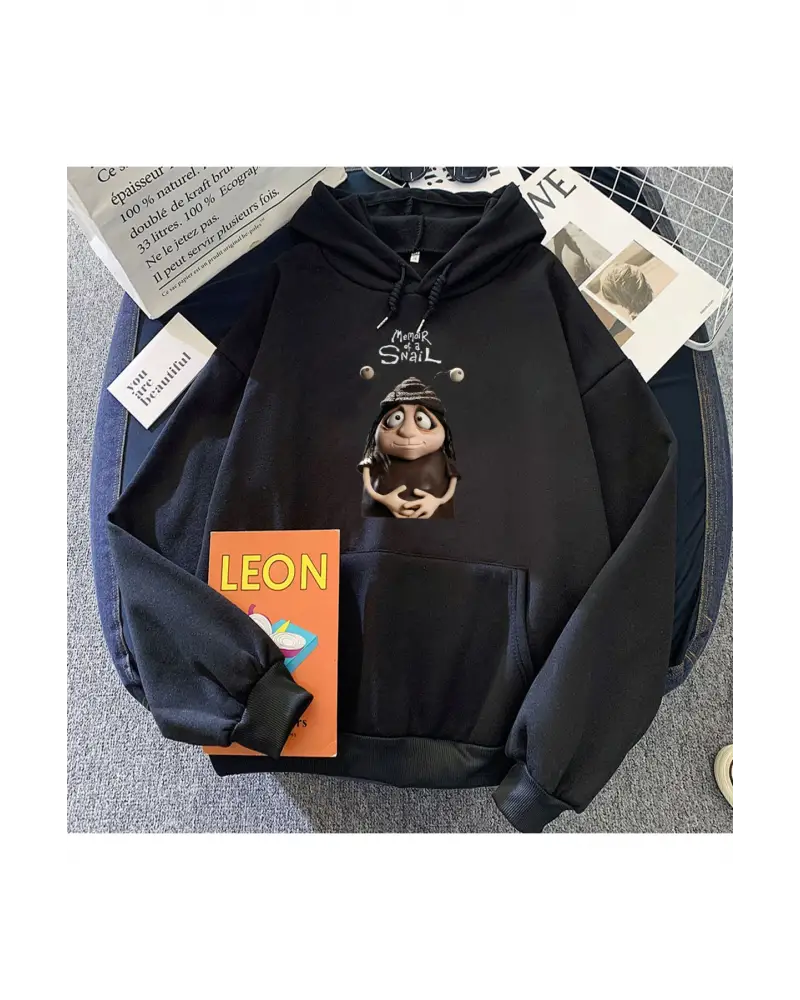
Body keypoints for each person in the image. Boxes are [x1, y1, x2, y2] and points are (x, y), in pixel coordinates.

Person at [359, 377, 460, 519]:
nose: (407, 431)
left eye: (422, 420)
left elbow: (451, 486)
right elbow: (368, 485)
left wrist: (436, 502)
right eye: (396, 419)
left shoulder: (442, 460)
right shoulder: (377, 458)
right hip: (381, 525)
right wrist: (384, 500)